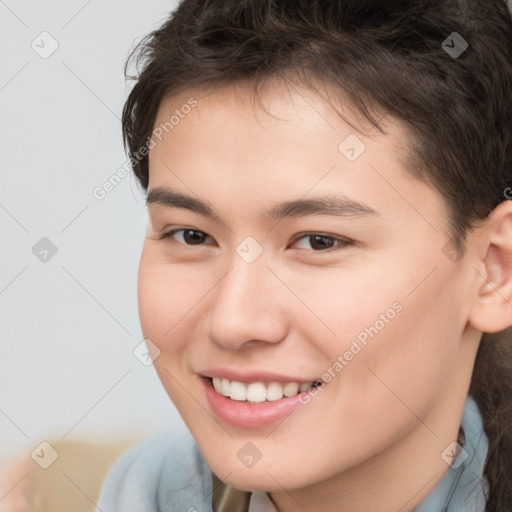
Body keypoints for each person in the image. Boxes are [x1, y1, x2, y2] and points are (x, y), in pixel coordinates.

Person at [97, 0, 512, 510]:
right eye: (190, 235)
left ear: (495, 270)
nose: (233, 322)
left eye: (319, 241)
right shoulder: (144, 491)